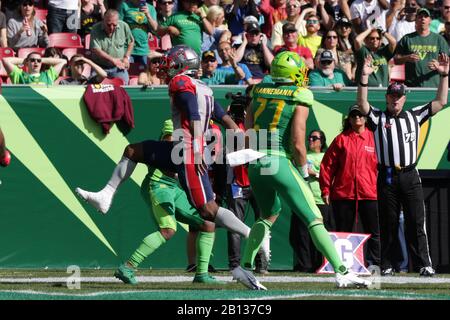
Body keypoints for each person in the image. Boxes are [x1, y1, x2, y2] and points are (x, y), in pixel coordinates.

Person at [75, 45, 270, 265]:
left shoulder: (180, 82)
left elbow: (193, 113)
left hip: (188, 151)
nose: (166, 65)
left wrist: (197, 151)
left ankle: (253, 233)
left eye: (170, 61)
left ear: (181, 63)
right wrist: (242, 137)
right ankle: (106, 195)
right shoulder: (203, 86)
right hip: (180, 149)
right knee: (132, 151)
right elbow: (224, 118)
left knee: (208, 211)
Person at [231, 50, 371, 290]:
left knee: (267, 215)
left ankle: (244, 266)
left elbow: (249, 133)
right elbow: (298, 142)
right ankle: (343, 271)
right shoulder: (299, 94)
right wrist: (303, 172)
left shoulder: (259, 90)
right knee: (314, 218)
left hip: (256, 162)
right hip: (278, 161)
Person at [357, 52, 450, 276]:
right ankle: (388, 264)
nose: (395, 100)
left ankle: (424, 264)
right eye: (392, 97)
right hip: (387, 175)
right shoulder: (378, 118)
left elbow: (441, 102)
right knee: (388, 223)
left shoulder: (414, 115)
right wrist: (364, 78)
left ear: (404, 99)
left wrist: (445, 76)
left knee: (416, 221)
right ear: (387, 98)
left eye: (398, 97)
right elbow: (361, 103)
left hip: (409, 174)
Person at [114, 119, 222, 285]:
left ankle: (202, 274)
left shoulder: (196, 127)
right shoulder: (174, 124)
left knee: (208, 223)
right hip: (159, 185)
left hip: (174, 188)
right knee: (168, 229)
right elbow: (170, 148)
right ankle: (128, 267)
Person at [320, 105, 380, 267]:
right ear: (349, 119)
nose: (357, 118)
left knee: (374, 232)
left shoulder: (375, 138)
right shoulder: (341, 139)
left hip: (370, 193)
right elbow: (327, 166)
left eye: (360, 115)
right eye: (353, 115)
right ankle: (342, 265)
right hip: (343, 194)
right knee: (342, 233)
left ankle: (375, 264)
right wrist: (325, 189)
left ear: (366, 118)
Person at [290, 129, 334, 272]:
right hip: (302, 200)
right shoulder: (301, 155)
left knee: (320, 235)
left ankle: (320, 265)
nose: (311, 140)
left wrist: (314, 172)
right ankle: (304, 265)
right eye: (309, 137)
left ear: (321, 142)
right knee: (299, 235)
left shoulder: (325, 156)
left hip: (320, 200)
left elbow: (331, 175)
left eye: (314, 138)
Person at [394, 8, 450, 88]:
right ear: (416, 20)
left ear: (430, 20)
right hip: (412, 86)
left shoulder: (439, 39)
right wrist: (406, 58)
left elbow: (448, 60)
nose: (423, 18)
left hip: (434, 86)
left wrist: (439, 64)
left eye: (425, 16)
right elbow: (396, 60)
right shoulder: (407, 38)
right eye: (420, 16)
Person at [90, 9, 135, 84]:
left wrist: (127, 57)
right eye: (108, 24)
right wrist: (112, 60)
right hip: (99, 67)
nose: (111, 27)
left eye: (114, 25)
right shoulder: (95, 28)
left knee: (124, 88)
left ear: (118, 21)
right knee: (93, 89)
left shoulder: (124, 26)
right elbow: (96, 49)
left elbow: (131, 41)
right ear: (103, 20)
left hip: (118, 67)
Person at [119, 0, 158, 66]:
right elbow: (119, 25)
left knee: (144, 73)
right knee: (129, 72)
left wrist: (148, 15)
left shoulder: (150, 8)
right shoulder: (124, 5)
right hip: (127, 49)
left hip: (143, 49)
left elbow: (155, 28)